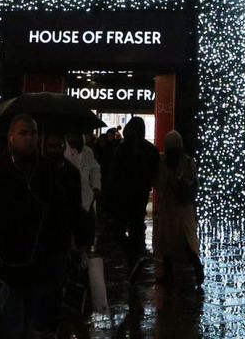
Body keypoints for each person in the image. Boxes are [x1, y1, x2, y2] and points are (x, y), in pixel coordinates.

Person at [0, 115, 87, 339]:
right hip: (5, 266)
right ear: (11, 137)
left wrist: (67, 246)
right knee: (11, 327)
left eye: (33, 133)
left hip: (43, 263)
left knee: (37, 326)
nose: (30, 138)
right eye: (24, 133)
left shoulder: (48, 171)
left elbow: (63, 212)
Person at [105, 116, 160, 264]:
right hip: (140, 194)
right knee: (136, 227)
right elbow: (155, 174)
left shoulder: (122, 148)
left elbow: (114, 173)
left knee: (118, 228)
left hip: (122, 194)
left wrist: (108, 193)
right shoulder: (151, 150)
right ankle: (136, 257)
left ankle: (132, 255)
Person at [155, 131, 202, 286]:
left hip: (170, 207)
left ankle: (169, 274)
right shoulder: (188, 162)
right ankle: (197, 268)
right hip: (185, 207)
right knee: (187, 240)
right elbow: (194, 183)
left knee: (168, 240)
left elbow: (160, 184)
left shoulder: (164, 163)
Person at [64, 131, 104, 240]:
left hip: (86, 196)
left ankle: (84, 251)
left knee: (87, 229)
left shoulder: (88, 151)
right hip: (68, 196)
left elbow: (95, 169)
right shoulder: (63, 151)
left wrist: (96, 186)